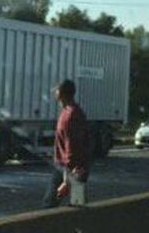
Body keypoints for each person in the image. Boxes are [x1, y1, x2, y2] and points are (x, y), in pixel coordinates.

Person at [43, 79, 89, 208]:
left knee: (50, 204)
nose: (54, 93)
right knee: (77, 204)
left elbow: (72, 149)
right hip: (70, 167)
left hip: (70, 169)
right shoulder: (68, 111)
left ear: (61, 94)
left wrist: (66, 180)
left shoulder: (71, 115)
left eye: (56, 90)